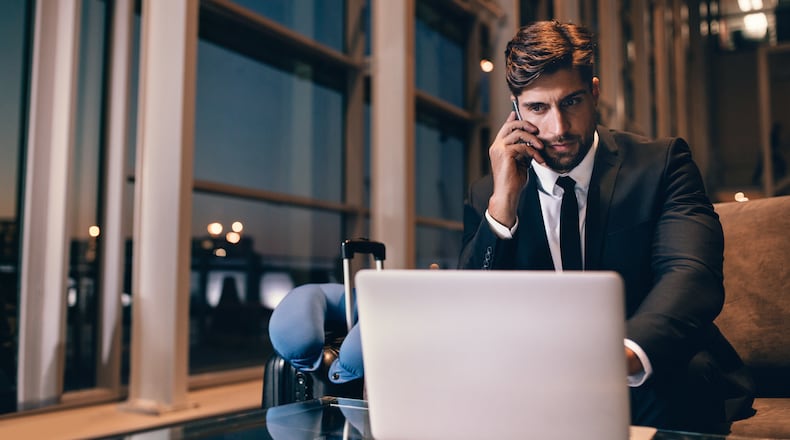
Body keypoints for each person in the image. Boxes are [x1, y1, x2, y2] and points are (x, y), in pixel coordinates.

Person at [458, 20, 754, 432]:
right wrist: (502, 208)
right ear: (517, 110)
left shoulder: (662, 165)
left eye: (572, 102)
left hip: (647, 368)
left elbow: (691, 276)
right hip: (540, 379)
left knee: (676, 380)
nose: (558, 128)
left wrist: (621, 356)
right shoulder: (488, 194)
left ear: (594, 92)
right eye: (539, 108)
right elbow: (471, 311)